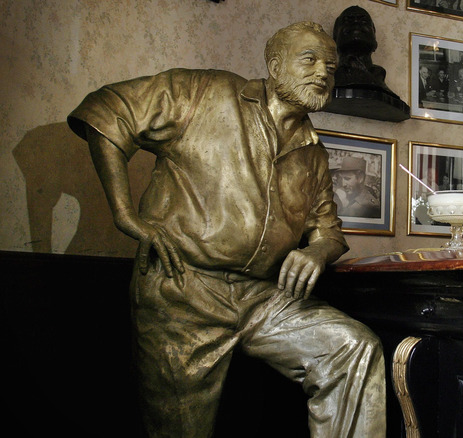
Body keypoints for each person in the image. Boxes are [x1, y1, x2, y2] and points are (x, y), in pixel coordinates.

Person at [67, 21, 386, 438]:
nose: (324, 72)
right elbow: (107, 111)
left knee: (354, 348)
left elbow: (329, 231)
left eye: (331, 64)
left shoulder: (314, 153)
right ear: (275, 65)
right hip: (182, 290)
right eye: (309, 59)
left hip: (263, 295)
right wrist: (124, 214)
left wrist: (317, 252)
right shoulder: (205, 92)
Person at [332, 5, 399, 99]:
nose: (356, 24)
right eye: (348, 21)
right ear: (335, 36)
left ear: (374, 35)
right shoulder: (332, 78)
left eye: (363, 21)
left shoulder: (379, 75)